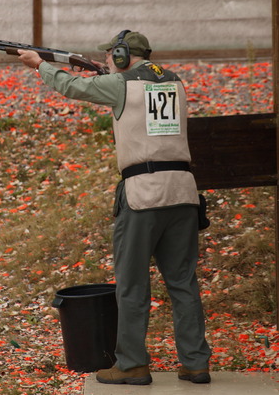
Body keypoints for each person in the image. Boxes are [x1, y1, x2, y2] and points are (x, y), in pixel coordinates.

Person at [18, 30, 212, 385]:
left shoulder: (121, 85)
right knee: (183, 282)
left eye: (110, 56)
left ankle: (133, 363)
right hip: (183, 193)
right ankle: (196, 362)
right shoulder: (176, 83)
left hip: (143, 195)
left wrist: (39, 66)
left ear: (123, 55)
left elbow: (72, 87)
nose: (107, 61)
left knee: (131, 286)